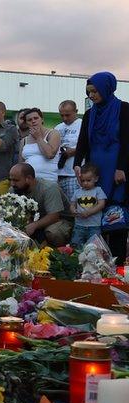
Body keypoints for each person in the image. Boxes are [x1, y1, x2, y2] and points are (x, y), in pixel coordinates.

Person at [74, 71, 129, 262]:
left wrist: (121, 168)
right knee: (93, 215)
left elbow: (127, 141)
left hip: (116, 168)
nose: (91, 96)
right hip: (95, 169)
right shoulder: (90, 113)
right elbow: (82, 142)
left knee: (116, 215)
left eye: (95, 91)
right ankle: (92, 262)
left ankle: (117, 262)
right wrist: (77, 164)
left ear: (106, 89)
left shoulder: (124, 109)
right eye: (89, 92)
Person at [10, 162, 71, 246]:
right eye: (11, 180)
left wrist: (34, 225)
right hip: (36, 222)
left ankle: (57, 252)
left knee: (54, 232)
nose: (12, 184)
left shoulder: (49, 188)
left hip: (60, 220)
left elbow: (54, 216)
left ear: (29, 178)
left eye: (16, 180)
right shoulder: (14, 190)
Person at [19, 108, 61, 184]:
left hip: (49, 181)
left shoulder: (53, 133)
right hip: (29, 183)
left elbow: (50, 154)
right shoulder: (24, 141)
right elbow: (21, 164)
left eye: (36, 118)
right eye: (29, 120)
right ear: (26, 123)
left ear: (42, 119)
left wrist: (38, 137)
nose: (33, 121)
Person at [69, 164, 106, 247]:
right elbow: (72, 204)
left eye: (88, 180)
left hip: (94, 226)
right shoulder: (77, 192)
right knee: (75, 244)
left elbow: (101, 204)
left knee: (93, 247)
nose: (85, 183)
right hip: (79, 225)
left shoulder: (98, 190)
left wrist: (89, 212)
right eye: (83, 181)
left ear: (96, 179)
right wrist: (73, 210)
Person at [56, 100, 83, 201]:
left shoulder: (83, 124)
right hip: (58, 174)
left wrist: (75, 151)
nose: (64, 118)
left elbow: (89, 145)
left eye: (67, 115)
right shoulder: (58, 127)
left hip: (74, 174)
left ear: (76, 111)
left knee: (75, 205)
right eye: (61, 115)